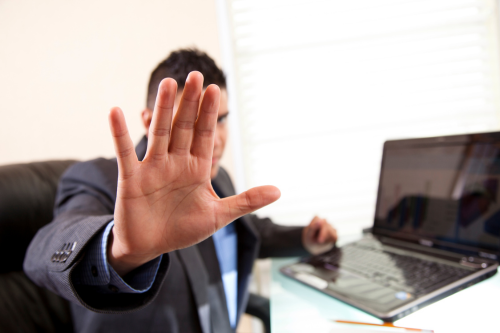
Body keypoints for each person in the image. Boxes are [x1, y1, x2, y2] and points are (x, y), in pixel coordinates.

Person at [24, 49, 337, 333]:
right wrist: (119, 251)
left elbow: (245, 230)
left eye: (222, 119)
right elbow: (42, 253)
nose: (215, 139)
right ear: (149, 120)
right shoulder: (100, 178)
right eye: (195, 121)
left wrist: (304, 238)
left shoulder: (217, 177)